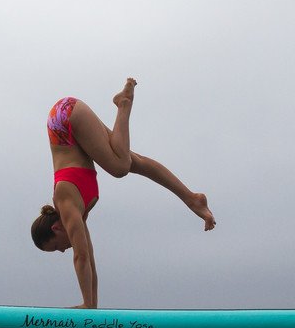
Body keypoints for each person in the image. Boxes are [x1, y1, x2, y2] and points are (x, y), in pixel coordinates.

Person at [30, 78, 215, 309]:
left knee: (119, 167)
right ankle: (192, 199)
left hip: (63, 119)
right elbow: (90, 258)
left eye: (56, 246)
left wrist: (86, 304)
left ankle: (124, 104)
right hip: (69, 118)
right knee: (130, 160)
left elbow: (80, 257)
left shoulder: (66, 203)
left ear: (56, 228)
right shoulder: (77, 211)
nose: (62, 250)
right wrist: (92, 307)